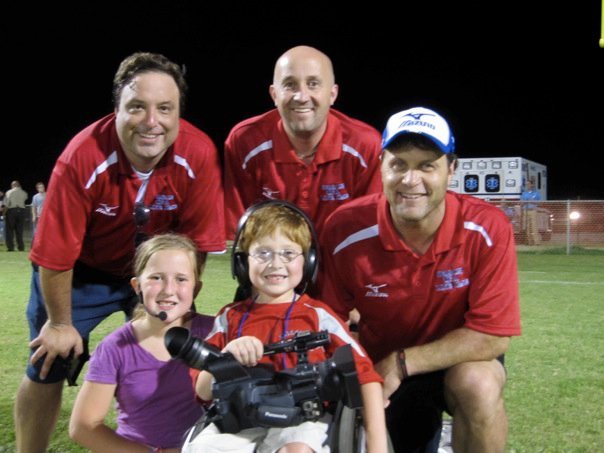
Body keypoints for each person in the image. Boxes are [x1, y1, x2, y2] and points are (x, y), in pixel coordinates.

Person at [14, 51, 226, 453]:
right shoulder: (82, 156)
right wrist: (59, 323)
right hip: (82, 272)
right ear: (116, 110)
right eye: (137, 107)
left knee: (173, 354)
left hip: (152, 271)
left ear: (179, 113)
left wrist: (178, 294)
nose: (151, 121)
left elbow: (195, 245)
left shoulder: (198, 153)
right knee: (47, 364)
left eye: (165, 108)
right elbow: (55, 254)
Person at [319, 107, 521, 452]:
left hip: (454, 361)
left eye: (427, 165)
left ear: (451, 170)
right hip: (382, 367)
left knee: (479, 384)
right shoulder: (345, 228)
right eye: (399, 164)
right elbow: (328, 320)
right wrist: (359, 372)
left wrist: (402, 362)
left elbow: (492, 336)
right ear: (381, 166)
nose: (410, 180)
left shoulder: (487, 227)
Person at [186, 201, 388, 453]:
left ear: (309, 262)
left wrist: (377, 447)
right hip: (240, 421)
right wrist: (226, 358)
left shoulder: (319, 317)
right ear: (242, 262)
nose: (275, 264)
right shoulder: (229, 318)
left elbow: (366, 377)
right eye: (263, 253)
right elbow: (203, 390)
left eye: (288, 254)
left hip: (303, 420)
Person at [69, 233, 214, 452]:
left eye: (181, 279)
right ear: (137, 286)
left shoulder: (216, 332)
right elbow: (83, 426)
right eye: (156, 278)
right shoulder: (115, 348)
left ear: (196, 288)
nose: (168, 289)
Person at [223, 45, 383, 241]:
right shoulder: (245, 141)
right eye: (290, 84)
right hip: (272, 257)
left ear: (332, 94)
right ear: (274, 94)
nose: (301, 97)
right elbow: (237, 232)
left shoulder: (365, 145)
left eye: (313, 84)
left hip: (341, 258)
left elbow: (369, 233)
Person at [4, 180, 28, 251]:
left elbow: (7, 204)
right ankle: (21, 247)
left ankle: (11, 247)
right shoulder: (24, 192)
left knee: (9, 230)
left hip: (12, 211)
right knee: (19, 230)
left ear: (13, 185)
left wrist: (4, 213)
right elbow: (25, 198)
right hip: (22, 211)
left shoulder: (9, 192)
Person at [520, 179, 542, 245]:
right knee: (527, 227)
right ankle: (529, 242)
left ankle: (537, 242)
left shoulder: (536, 193)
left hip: (533, 211)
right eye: (527, 184)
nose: (527, 185)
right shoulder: (524, 193)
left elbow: (540, 203)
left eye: (529, 184)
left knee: (534, 226)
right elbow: (521, 203)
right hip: (526, 211)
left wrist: (532, 201)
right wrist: (524, 202)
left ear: (532, 185)